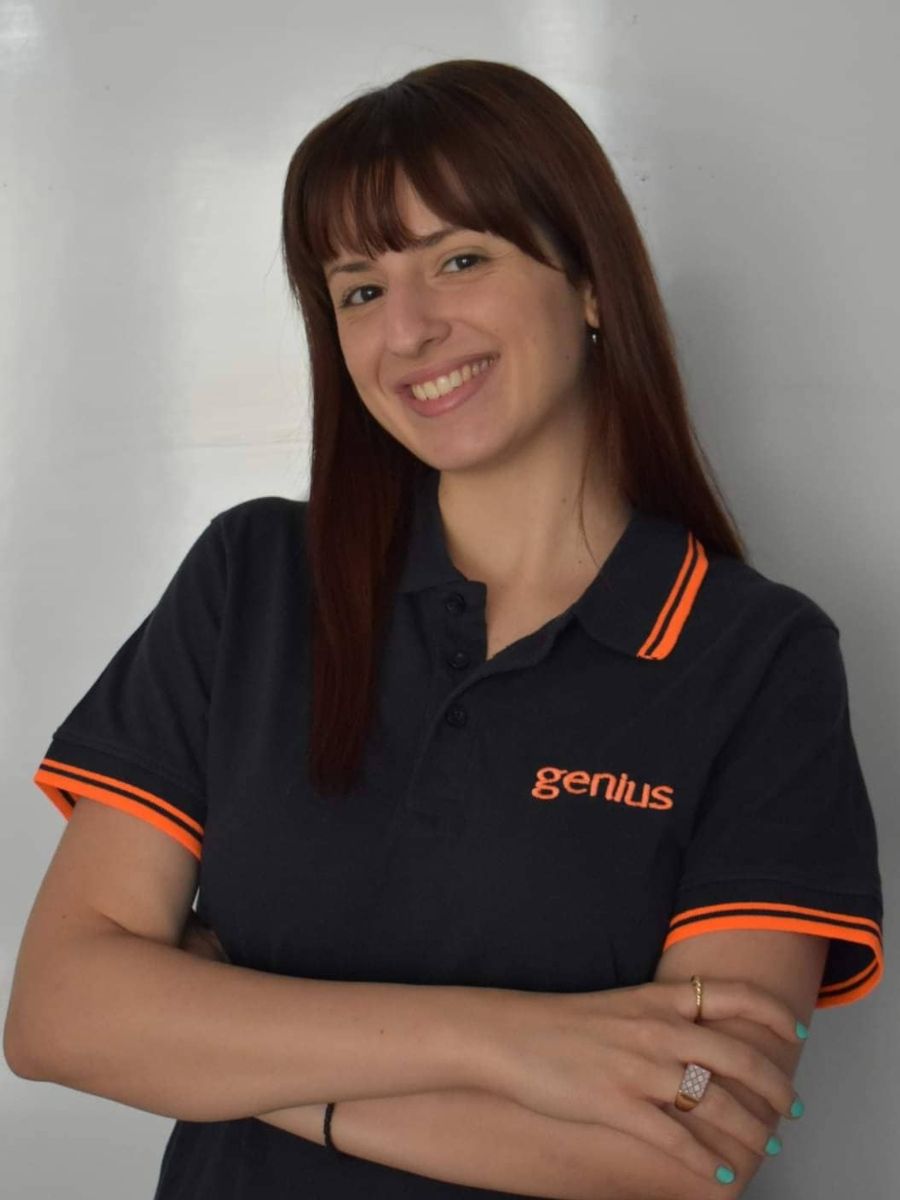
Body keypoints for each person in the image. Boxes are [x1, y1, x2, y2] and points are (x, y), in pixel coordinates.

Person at [5, 58, 882, 1200]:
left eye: (460, 260)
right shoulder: (251, 581)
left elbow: (680, 1149)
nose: (409, 329)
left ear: (591, 283)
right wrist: (515, 1044)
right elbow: (59, 1015)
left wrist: (229, 1053)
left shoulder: (755, 657)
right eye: (360, 289)